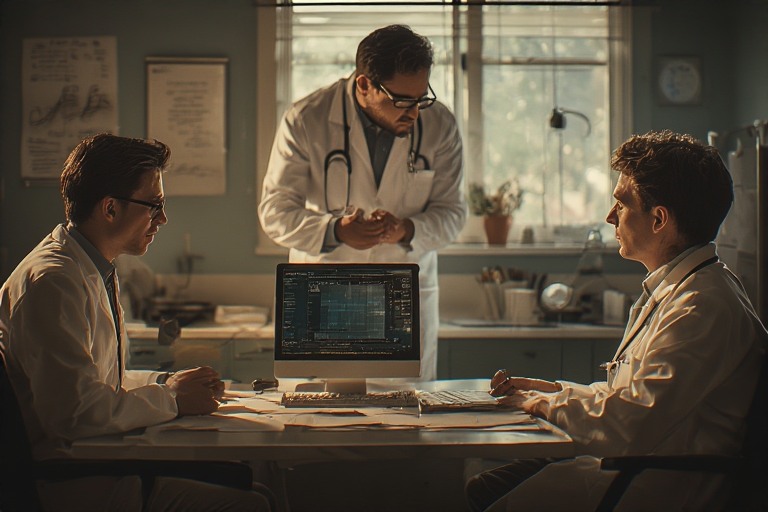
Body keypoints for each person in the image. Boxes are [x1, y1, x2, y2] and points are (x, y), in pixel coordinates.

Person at [465, 130, 768, 511]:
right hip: (636, 466)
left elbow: (629, 422)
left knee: (489, 495)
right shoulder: (682, 288)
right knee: (484, 485)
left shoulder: (701, 307)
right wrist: (552, 391)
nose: (610, 217)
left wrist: (540, 405)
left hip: (653, 485)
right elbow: (631, 398)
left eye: (621, 205)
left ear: (659, 219)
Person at [0, 133, 272, 511]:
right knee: (253, 503)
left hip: (102, 467)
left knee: (259, 491)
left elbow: (95, 380)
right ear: (110, 208)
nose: (163, 218)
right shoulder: (53, 281)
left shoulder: (90, 267)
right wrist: (174, 399)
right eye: (154, 205)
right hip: (78, 483)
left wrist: (165, 382)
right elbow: (74, 413)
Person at [258, 24, 466, 381]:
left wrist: (407, 229)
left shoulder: (440, 125)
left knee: (405, 418)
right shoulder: (307, 118)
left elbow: (453, 214)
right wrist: (336, 231)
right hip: (325, 293)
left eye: (421, 99)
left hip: (402, 297)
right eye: (402, 101)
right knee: (316, 419)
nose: (415, 112)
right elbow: (275, 211)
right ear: (364, 85)